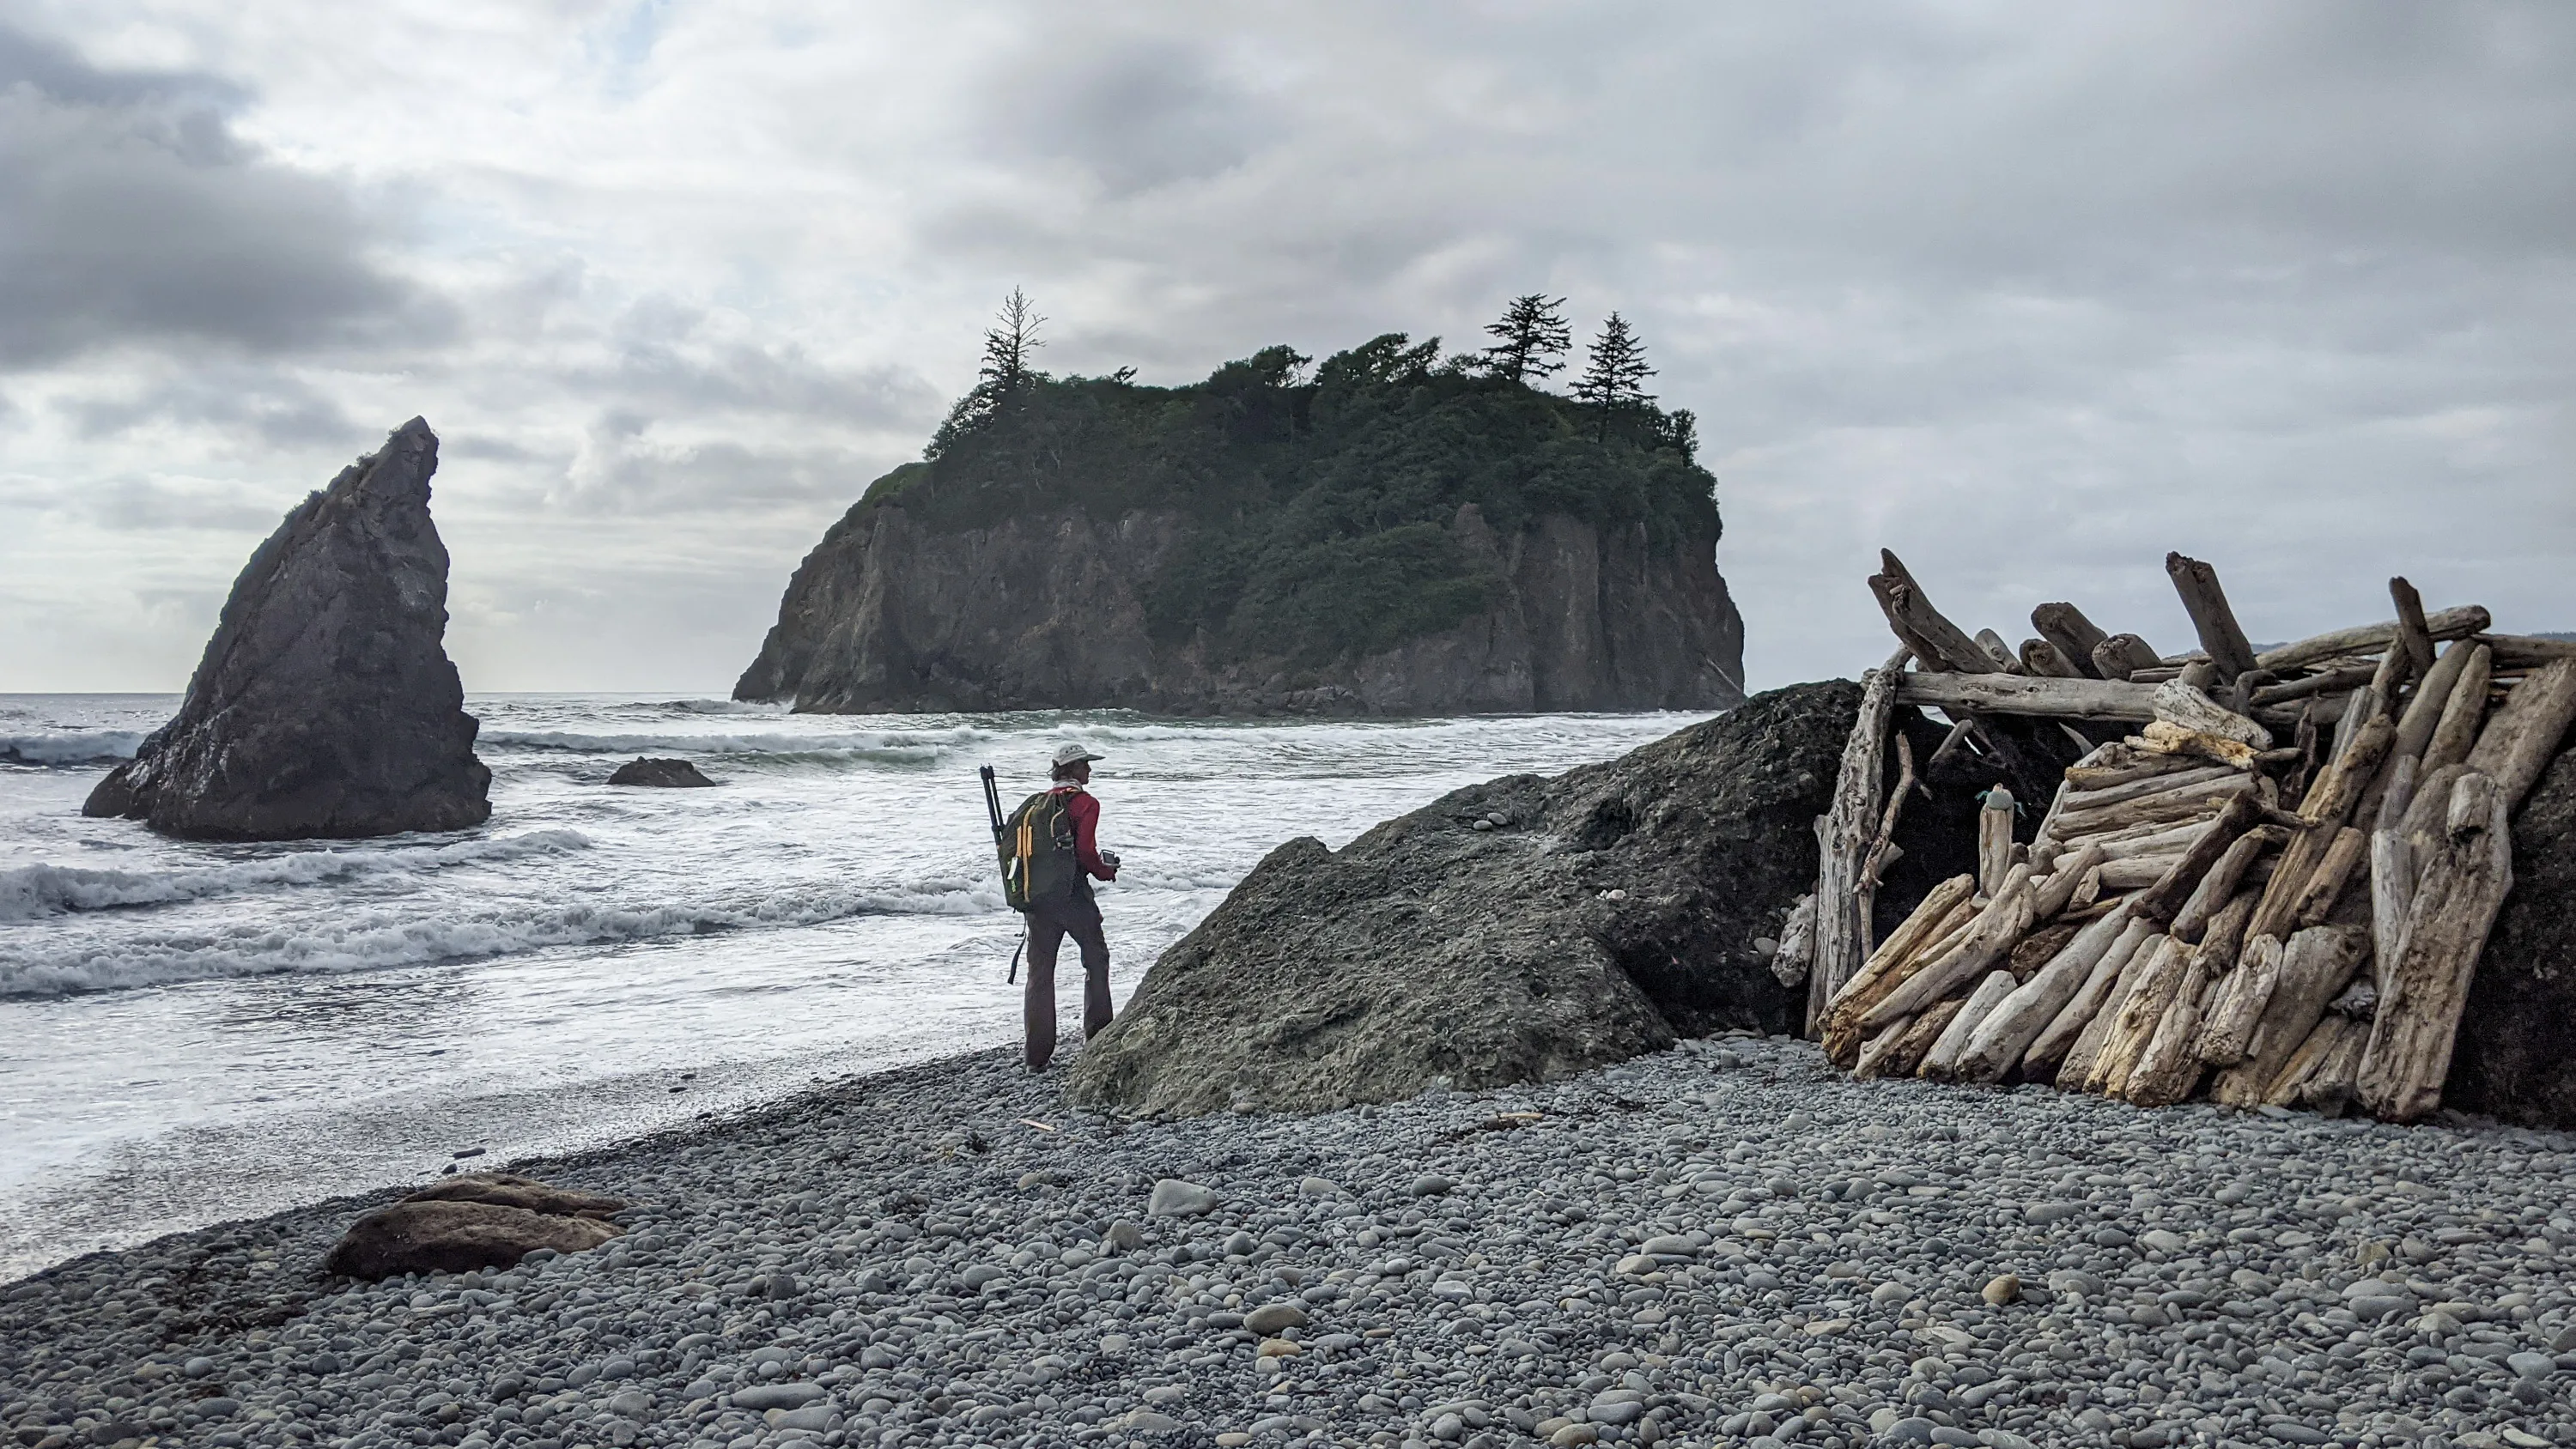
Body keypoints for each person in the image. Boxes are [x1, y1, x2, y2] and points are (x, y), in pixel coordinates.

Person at [1024, 742, 1119, 1070]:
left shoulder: (1037, 805)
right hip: (1073, 896)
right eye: (1084, 764)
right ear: (1072, 769)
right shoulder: (1085, 803)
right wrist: (1106, 871)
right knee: (1096, 960)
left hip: (1038, 900)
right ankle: (1098, 1040)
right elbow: (1087, 853)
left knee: (1040, 974)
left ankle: (1036, 1058)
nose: (1089, 769)